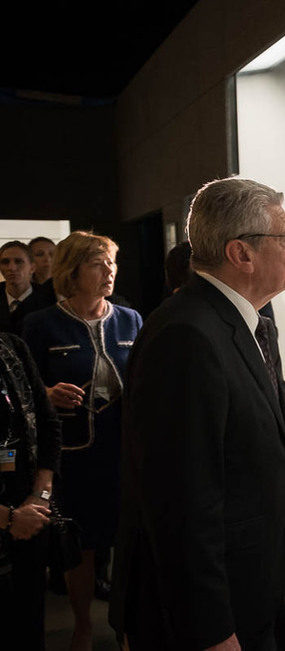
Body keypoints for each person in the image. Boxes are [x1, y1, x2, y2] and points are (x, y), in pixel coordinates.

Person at [110, 177, 285, 650]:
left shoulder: (250, 324)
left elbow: (215, 442)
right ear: (242, 254)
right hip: (210, 617)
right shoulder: (187, 338)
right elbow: (178, 506)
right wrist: (211, 634)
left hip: (258, 589)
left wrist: (279, 449)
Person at [22, 231, 143, 651]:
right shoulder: (40, 325)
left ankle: (129, 625)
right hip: (74, 456)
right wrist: (48, 394)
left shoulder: (131, 320)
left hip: (124, 453)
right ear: (72, 272)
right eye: (98, 264)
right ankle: (82, 626)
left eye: (112, 262)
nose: (109, 271)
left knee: (130, 543)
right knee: (82, 547)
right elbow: (24, 391)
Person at [0, 332, 61, 650]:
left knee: (27, 628)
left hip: (29, 520)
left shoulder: (12, 348)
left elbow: (49, 425)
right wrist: (8, 519)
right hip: (11, 521)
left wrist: (41, 496)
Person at [0, 241, 56, 336]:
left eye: (18, 262)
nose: (11, 268)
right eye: (5, 262)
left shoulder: (49, 300)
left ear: (32, 268)